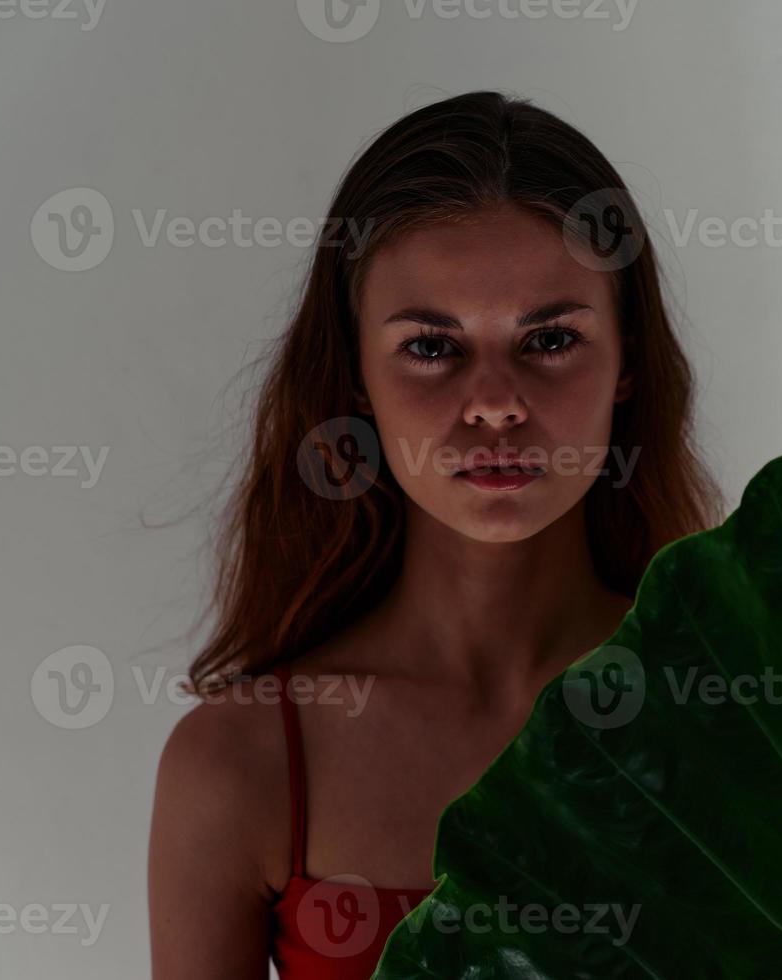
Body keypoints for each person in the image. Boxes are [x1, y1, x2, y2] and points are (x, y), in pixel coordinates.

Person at [147, 89, 723, 979]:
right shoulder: (241, 763)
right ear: (352, 380)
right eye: (430, 347)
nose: (494, 400)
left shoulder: (743, 720)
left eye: (551, 339)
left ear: (627, 365)